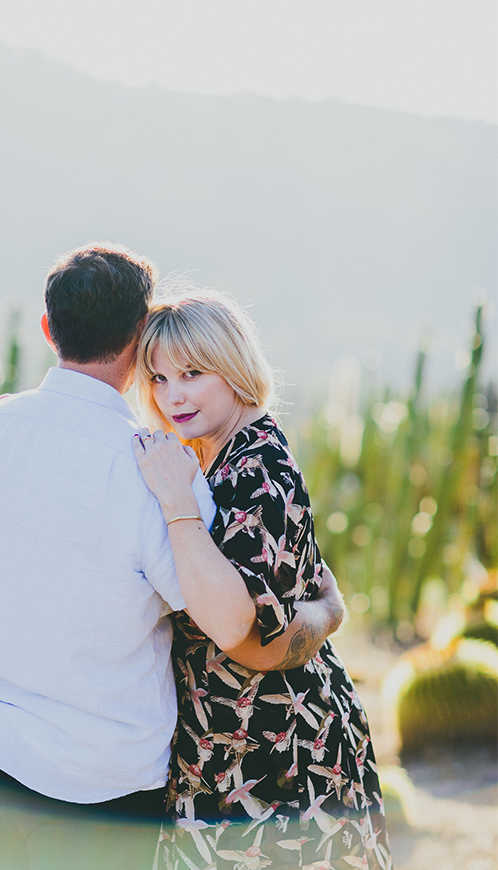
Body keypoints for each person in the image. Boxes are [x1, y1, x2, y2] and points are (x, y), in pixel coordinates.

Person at [0, 243, 341, 870]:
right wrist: (329, 610)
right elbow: (235, 628)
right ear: (143, 333)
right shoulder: (150, 466)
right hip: (103, 776)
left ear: (47, 328)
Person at [132, 290, 393, 870]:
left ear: (232, 365)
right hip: (238, 739)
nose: (172, 394)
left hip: (269, 747)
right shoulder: (224, 455)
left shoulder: (254, 471)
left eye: (192, 373)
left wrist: (176, 504)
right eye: (157, 377)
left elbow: (257, 642)